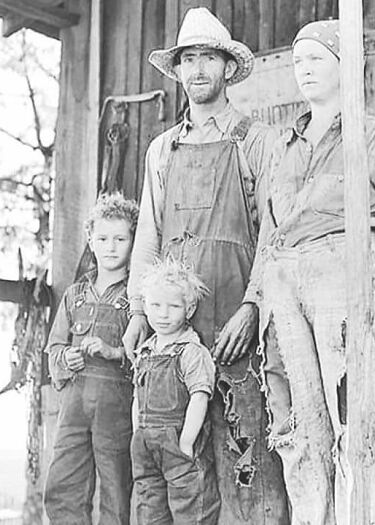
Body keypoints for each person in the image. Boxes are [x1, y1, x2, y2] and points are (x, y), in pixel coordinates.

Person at [246, 19, 375, 524]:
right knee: (302, 427)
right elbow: (270, 227)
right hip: (287, 280)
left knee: (358, 423)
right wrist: (264, 291)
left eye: (316, 60)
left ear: (347, 67)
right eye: (298, 61)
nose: (304, 70)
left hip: (347, 269)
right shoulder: (282, 145)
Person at [122, 7, 288, 524]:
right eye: (188, 59)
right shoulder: (162, 150)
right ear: (177, 70)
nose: (197, 70)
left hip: (237, 328)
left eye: (208, 58)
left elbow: (274, 235)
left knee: (249, 465)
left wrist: (253, 306)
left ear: (226, 68)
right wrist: (137, 312)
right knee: (179, 470)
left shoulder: (256, 141)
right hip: (175, 331)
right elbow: (147, 233)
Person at [44, 192, 139, 525]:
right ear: (90, 240)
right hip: (74, 406)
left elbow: (149, 354)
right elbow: (54, 347)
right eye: (102, 238)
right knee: (62, 487)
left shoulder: (138, 297)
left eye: (120, 239)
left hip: (117, 410)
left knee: (116, 492)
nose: (111, 246)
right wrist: (64, 359)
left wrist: (116, 353)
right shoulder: (75, 294)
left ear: (133, 241)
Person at [131, 258, 219, 524]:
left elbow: (199, 397)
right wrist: (138, 434)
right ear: (145, 306)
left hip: (177, 443)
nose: (163, 314)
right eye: (156, 305)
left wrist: (186, 442)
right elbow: (137, 397)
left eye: (173, 306)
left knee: (190, 510)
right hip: (146, 445)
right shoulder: (145, 351)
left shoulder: (191, 351)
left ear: (189, 308)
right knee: (150, 509)